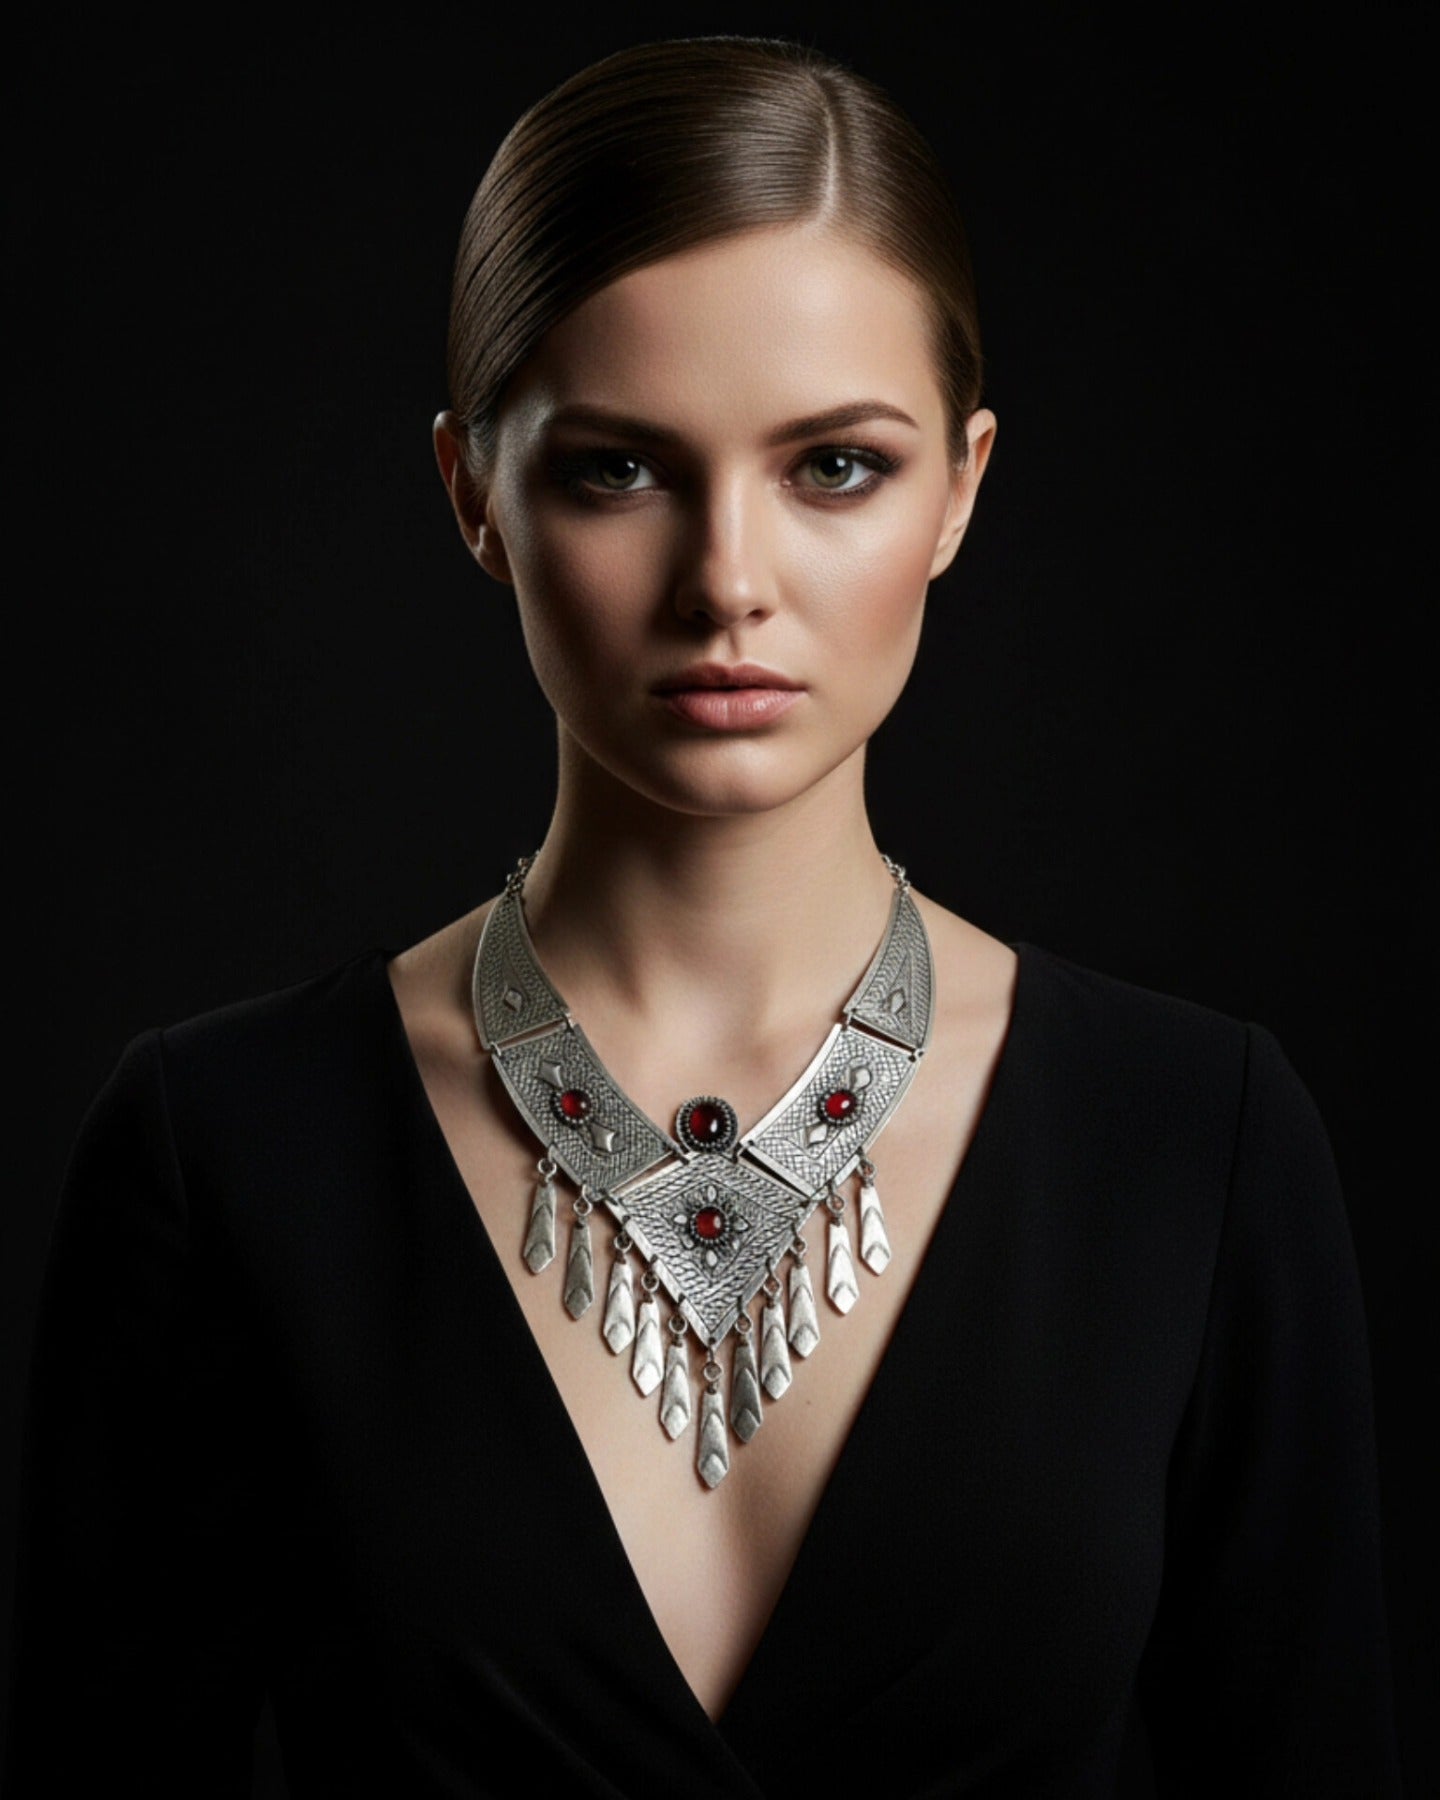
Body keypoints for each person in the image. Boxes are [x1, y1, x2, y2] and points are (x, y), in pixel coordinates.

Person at [4, 33, 1402, 1798]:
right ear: (471, 498)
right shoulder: (222, 1157)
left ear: (961, 486)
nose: (729, 580)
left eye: (835, 468)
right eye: (617, 470)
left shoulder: (1199, 1149)